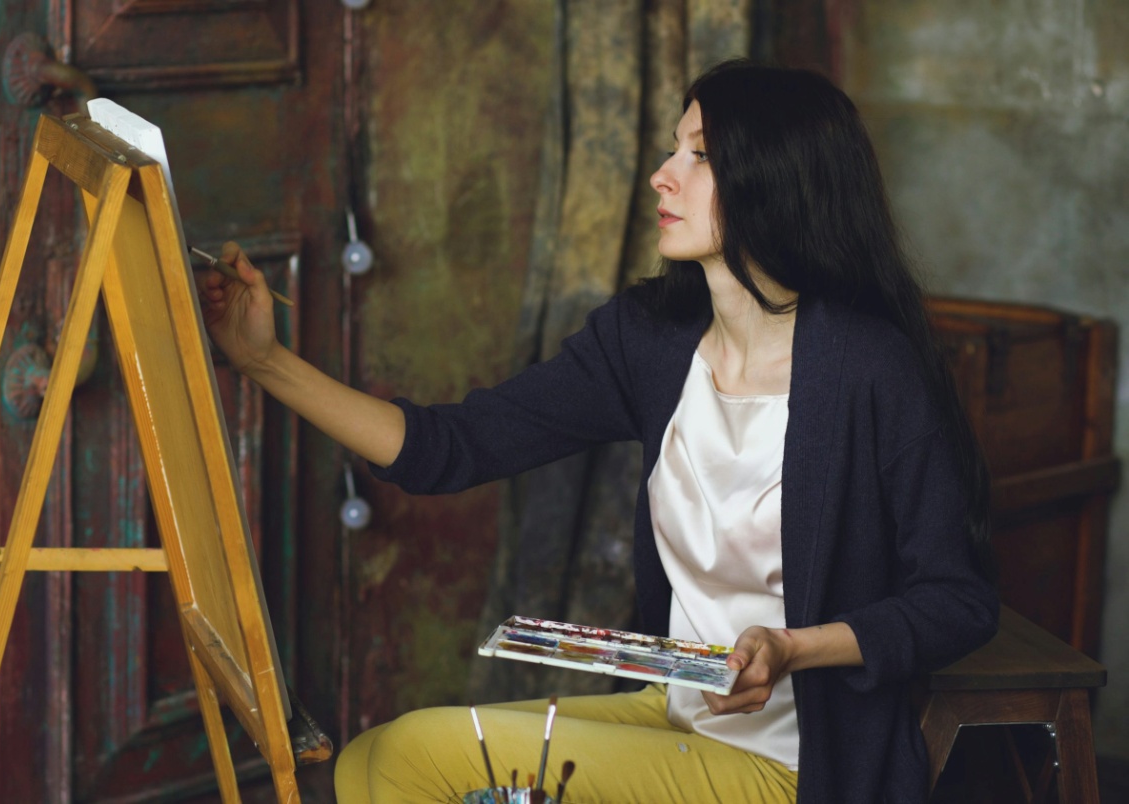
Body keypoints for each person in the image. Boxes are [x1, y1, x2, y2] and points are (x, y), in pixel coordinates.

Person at [197, 59, 999, 804]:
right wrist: (266, 363)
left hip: (801, 763)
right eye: (673, 148)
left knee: (416, 755)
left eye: (700, 155)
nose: (663, 173)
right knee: (369, 758)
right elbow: (453, 447)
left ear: (777, 181)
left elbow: (956, 601)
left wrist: (792, 648)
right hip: (681, 714)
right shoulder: (650, 340)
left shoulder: (869, 368)